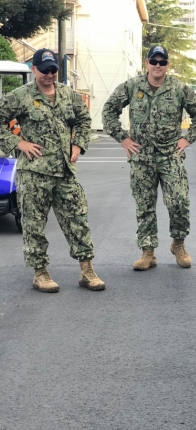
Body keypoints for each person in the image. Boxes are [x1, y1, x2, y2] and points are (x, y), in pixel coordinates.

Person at [0, 48, 105, 293]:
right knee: (34, 224)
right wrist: (19, 143)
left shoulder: (68, 94)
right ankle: (40, 273)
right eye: (44, 69)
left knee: (78, 220)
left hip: (65, 172)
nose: (49, 74)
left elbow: (83, 120)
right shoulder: (20, 96)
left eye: (53, 70)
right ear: (33, 69)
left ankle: (87, 270)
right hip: (34, 173)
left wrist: (78, 144)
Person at [102, 45, 196, 271]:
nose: (157, 66)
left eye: (162, 62)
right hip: (141, 157)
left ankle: (178, 244)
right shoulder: (132, 86)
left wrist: (188, 139)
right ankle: (147, 252)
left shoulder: (179, 88)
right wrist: (123, 138)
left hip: (171, 155)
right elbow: (109, 110)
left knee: (179, 201)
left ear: (167, 65)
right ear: (147, 63)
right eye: (154, 61)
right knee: (145, 205)